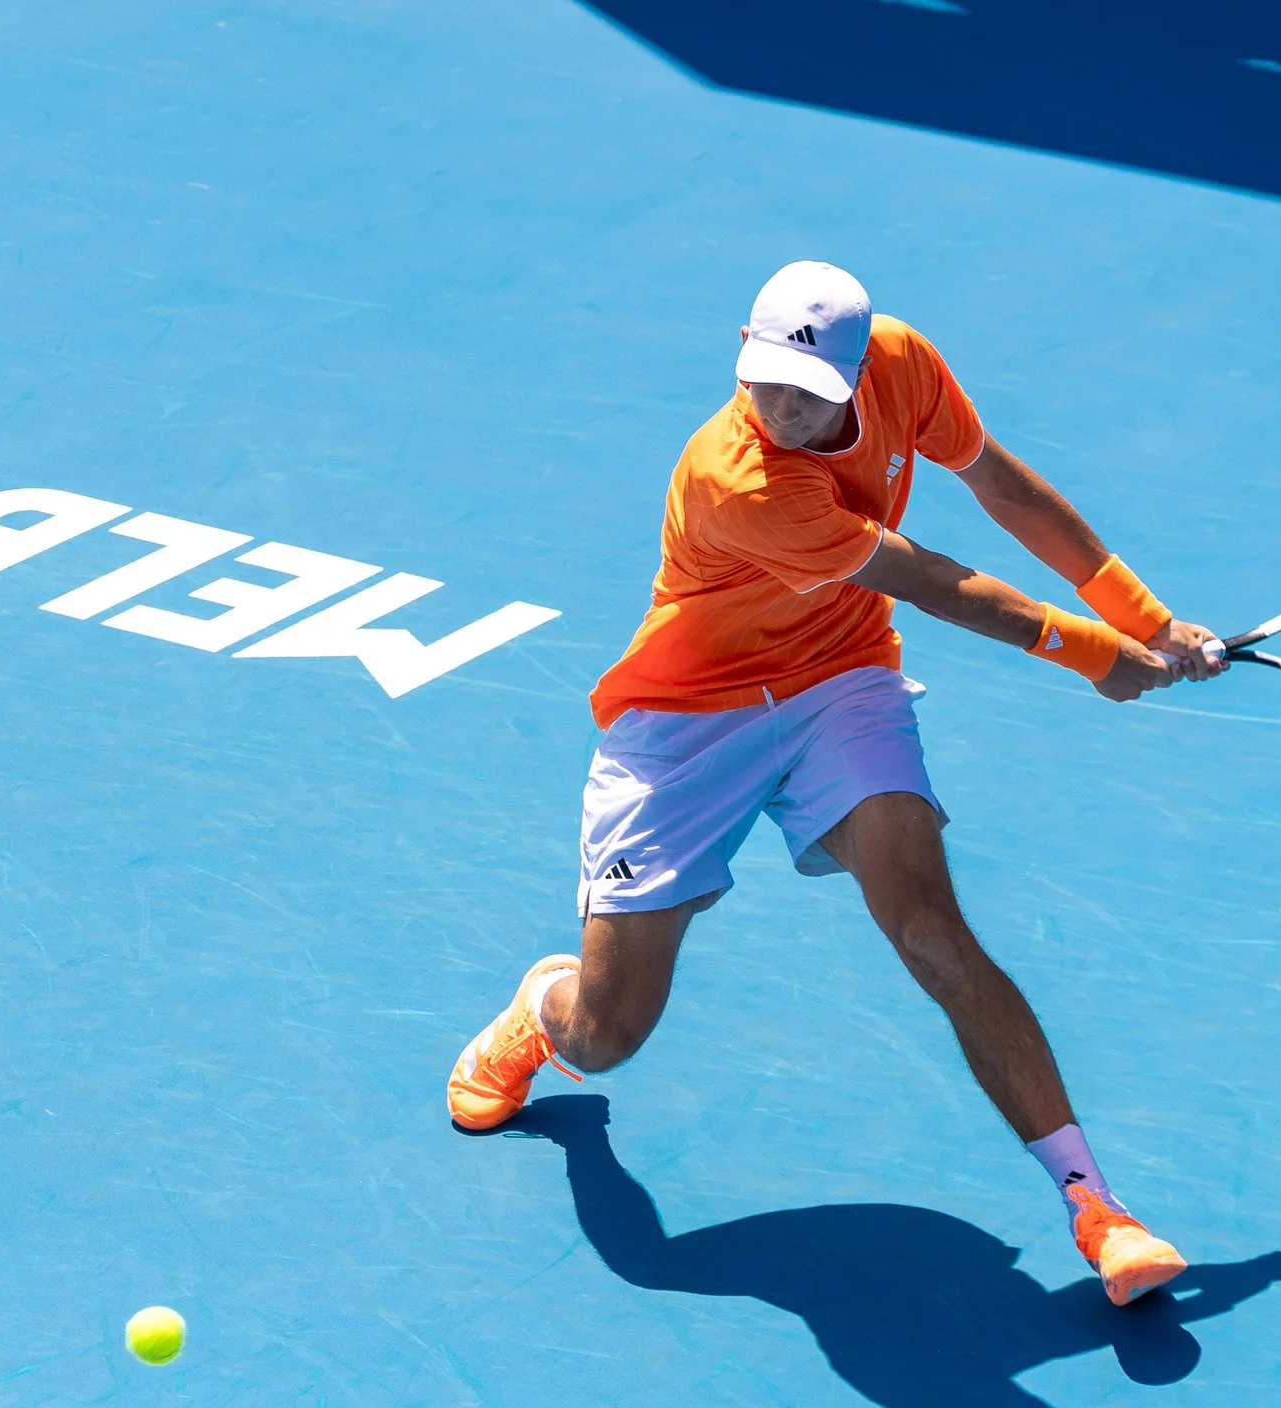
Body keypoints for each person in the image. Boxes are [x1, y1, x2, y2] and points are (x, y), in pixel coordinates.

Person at [447, 261, 1223, 1306]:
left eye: (812, 393)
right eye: (765, 379)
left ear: (859, 375)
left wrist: (1144, 615)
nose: (783, 406)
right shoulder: (738, 476)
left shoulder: (900, 361)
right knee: (611, 1032)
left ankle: (1097, 1206)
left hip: (839, 683)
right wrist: (1093, 652)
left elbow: (997, 484)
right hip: (686, 720)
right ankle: (542, 1011)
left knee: (933, 930)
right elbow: (930, 577)